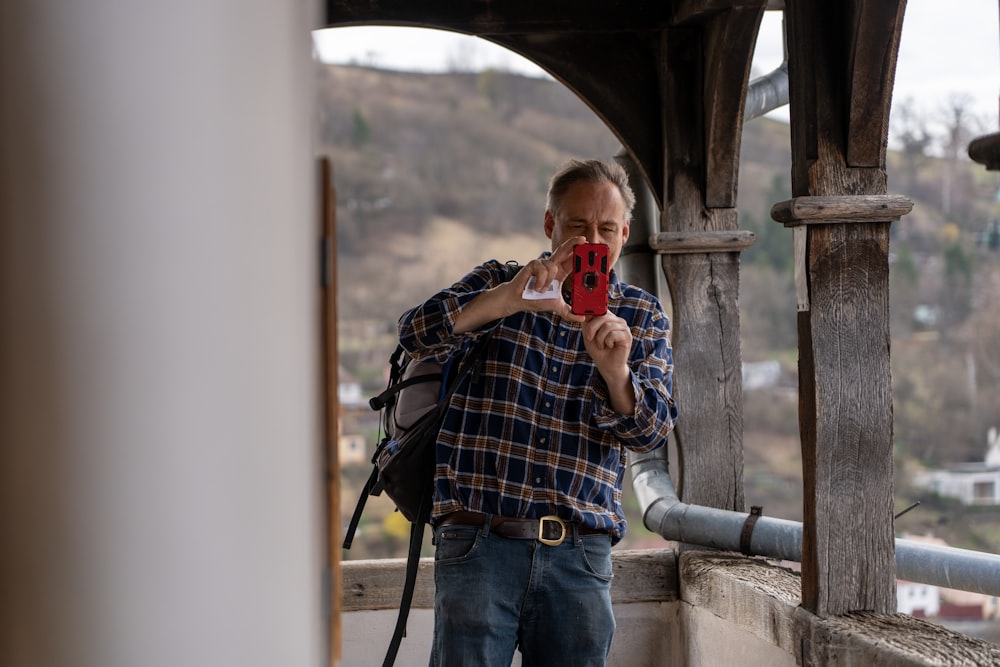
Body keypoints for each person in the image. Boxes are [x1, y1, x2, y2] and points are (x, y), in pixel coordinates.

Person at [398, 158, 678, 666]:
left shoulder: (640, 316)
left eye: (607, 229)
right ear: (550, 225)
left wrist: (616, 374)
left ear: (625, 234)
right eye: (577, 226)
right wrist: (507, 299)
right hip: (478, 541)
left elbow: (652, 431)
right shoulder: (500, 283)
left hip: (579, 555)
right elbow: (414, 333)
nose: (592, 240)